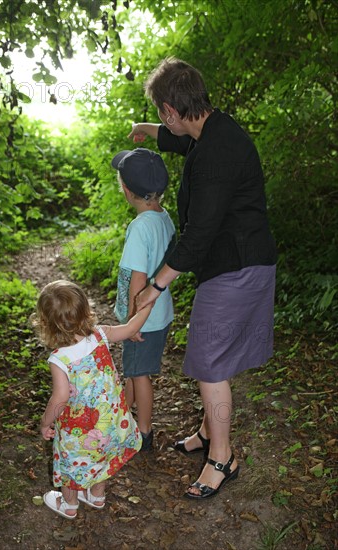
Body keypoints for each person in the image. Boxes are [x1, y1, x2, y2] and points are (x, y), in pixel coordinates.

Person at [130, 57, 277, 500]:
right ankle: (207, 430)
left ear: (172, 109)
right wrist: (146, 128)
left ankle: (222, 458)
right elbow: (180, 143)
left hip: (237, 265)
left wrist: (155, 287)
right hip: (236, 261)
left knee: (209, 361)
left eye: (160, 113)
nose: (162, 121)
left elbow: (197, 237)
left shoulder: (215, 153)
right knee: (212, 354)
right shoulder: (209, 129)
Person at [32, 279, 152, 519]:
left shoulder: (60, 359)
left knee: (72, 462)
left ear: (46, 324)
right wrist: (149, 303)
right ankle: (96, 496)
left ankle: (69, 504)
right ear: (85, 311)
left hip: (81, 428)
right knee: (104, 455)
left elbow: (60, 397)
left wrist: (46, 422)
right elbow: (130, 328)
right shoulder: (100, 335)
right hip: (112, 421)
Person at [112, 148, 175, 451]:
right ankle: (123, 418)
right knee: (134, 371)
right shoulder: (164, 218)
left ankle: (143, 433)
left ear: (126, 189)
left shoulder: (139, 228)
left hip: (142, 319)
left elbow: (138, 280)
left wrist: (132, 322)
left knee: (139, 375)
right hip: (158, 313)